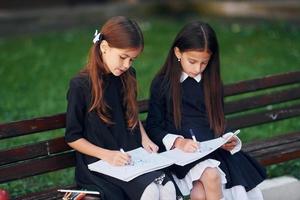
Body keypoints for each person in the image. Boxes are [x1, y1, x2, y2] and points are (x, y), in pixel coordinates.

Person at [146, 21, 267, 200]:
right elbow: (153, 126)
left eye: (204, 63)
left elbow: (217, 119)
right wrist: (178, 142)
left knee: (200, 193)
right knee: (211, 175)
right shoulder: (163, 84)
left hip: (212, 151)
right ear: (178, 52)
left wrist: (227, 138)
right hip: (181, 156)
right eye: (192, 61)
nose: (197, 69)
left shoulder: (211, 83)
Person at [65, 16, 178, 200]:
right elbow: (73, 137)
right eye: (123, 57)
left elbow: (130, 110)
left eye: (132, 60)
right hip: (99, 163)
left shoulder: (128, 75)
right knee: (150, 192)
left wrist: (144, 137)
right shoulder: (81, 85)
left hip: (130, 156)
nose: (127, 65)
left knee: (168, 189)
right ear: (104, 48)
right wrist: (108, 155)